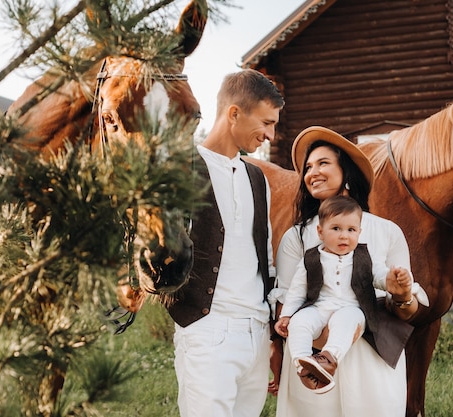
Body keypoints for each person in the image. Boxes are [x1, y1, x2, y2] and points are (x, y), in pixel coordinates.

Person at [270, 126, 429, 416]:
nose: (312, 172)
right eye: (307, 167)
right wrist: (301, 345)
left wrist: (402, 294)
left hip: (373, 361)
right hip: (310, 361)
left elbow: (408, 312)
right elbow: (285, 301)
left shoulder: (388, 232)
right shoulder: (296, 238)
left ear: (347, 171)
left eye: (323, 163)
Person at [165, 69, 284, 417]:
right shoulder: (181, 167)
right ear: (234, 113)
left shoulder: (257, 177)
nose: (271, 135)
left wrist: (272, 337)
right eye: (266, 123)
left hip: (257, 332)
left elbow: (265, 258)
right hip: (207, 330)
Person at [274, 195, 412, 394]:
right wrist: (287, 315)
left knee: (346, 320)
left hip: (352, 308)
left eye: (351, 230)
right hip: (318, 307)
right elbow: (296, 290)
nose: (344, 236)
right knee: (300, 322)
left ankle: (328, 359)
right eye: (336, 229)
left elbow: (379, 274)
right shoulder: (311, 259)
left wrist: (391, 279)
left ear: (359, 232)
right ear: (320, 232)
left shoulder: (364, 257)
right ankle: (303, 365)